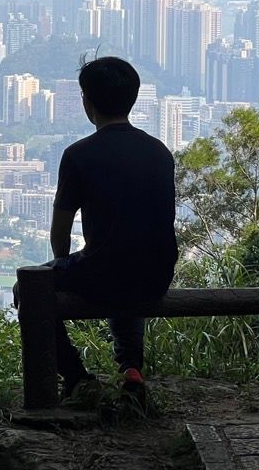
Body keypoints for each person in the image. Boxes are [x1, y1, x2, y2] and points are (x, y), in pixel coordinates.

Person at [47, 56, 177, 402]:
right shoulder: (159, 153)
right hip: (157, 274)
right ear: (132, 98)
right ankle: (131, 368)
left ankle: (77, 378)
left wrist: (63, 267)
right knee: (124, 262)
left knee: (27, 288)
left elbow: (60, 231)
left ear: (87, 102)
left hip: (105, 274)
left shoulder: (79, 155)